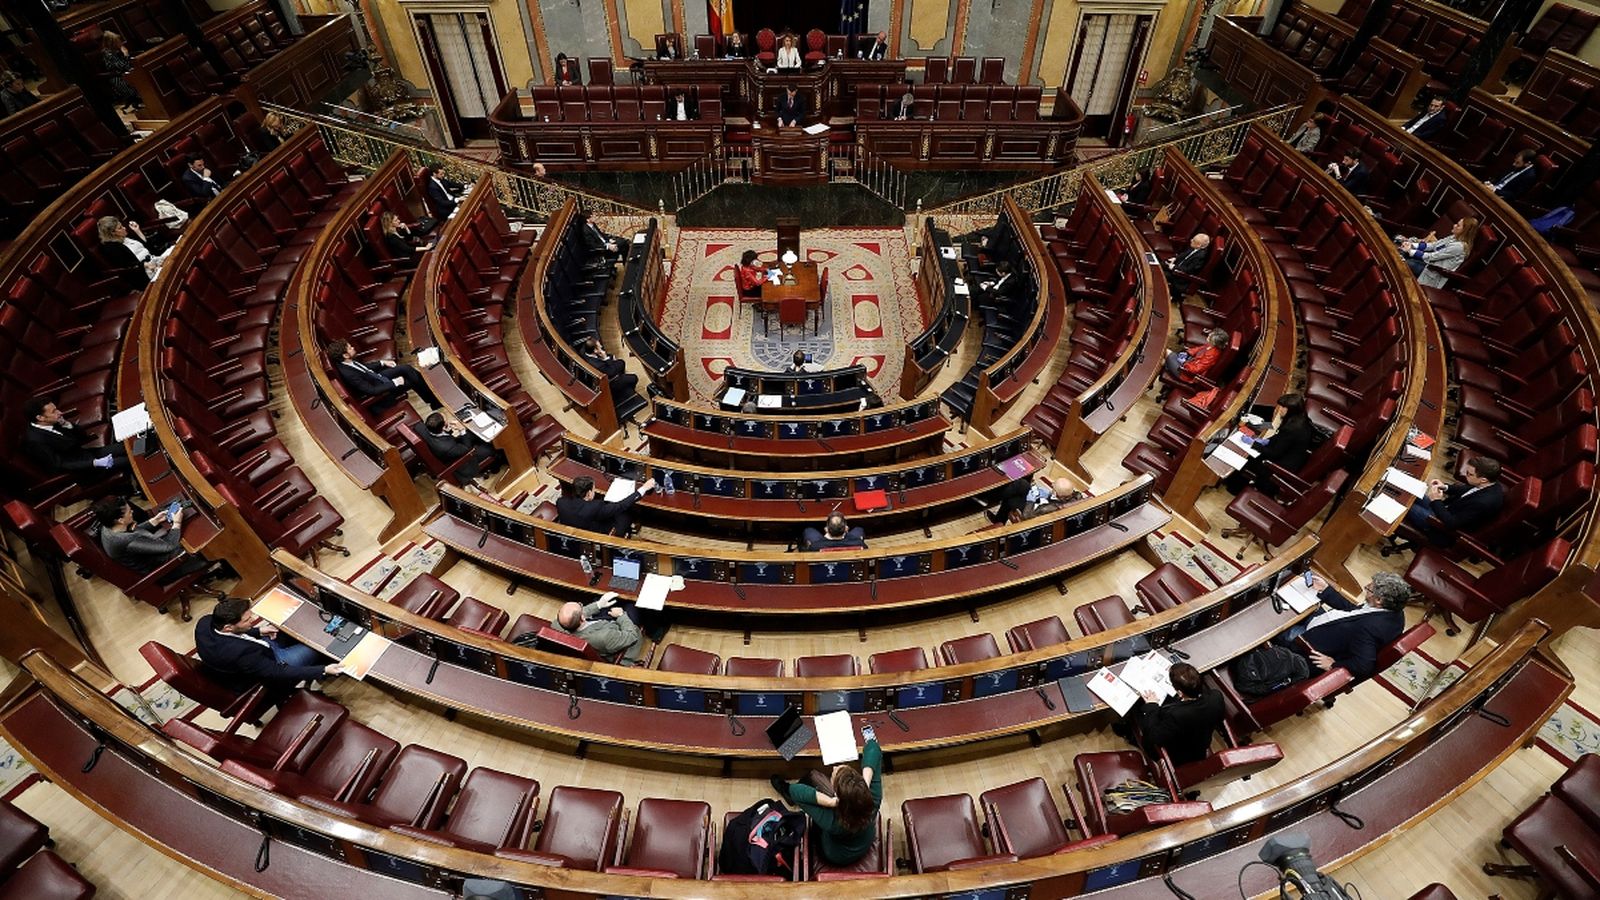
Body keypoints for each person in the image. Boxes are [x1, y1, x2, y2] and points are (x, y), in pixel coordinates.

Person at [769, 730, 882, 866]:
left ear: (837, 796)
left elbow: (796, 791)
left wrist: (829, 802)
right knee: (814, 776)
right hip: (863, 841)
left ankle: (785, 793)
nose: (834, 767)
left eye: (833, 776)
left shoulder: (833, 821)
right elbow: (873, 747)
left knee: (809, 783)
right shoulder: (874, 797)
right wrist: (865, 783)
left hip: (836, 854)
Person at [1278, 572, 1409, 683]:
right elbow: (1353, 612)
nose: (1366, 587)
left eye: (1369, 589)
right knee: (1295, 598)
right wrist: (1326, 590)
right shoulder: (1395, 611)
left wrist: (1333, 664)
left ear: (1379, 600)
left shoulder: (1368, 629)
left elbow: (1364, 665)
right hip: (1332, 626)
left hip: (1307, 644)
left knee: (1277, 622)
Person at [195, 598, 343, 693]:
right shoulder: (240, 654)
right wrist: (323, 670)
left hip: (259, 649)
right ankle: (327, 669)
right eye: (247, 620)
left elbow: (235, 635)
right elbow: (278, 672)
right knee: (319, 644)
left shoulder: (206, 623)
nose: (252, 619)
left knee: (289, 624)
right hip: (275, 662)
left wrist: (258, 630)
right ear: (228, 627)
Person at [1124, 663, 1224, 766]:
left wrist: (1152, 706)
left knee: (1138, 710)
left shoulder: (1176, 716)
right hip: (1200, 742)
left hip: (1179, 754)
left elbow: (1153, 737)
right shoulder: (1216, 696)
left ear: (1180, 693)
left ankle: (1131, 735)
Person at [91, 495, 211, 581]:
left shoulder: (108, 527)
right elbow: (169, 546)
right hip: (163, 569)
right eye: (128, 512)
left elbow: (131, 531)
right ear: (120, 520)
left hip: (151, 555)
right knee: (204, 538)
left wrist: (155, 520)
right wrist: (177, 523)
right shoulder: (124, 541)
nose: (132, 511)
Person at [1223, 393, 1318, 495]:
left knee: (1246, 457)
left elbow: (1273, 453)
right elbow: (1281, 439)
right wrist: (1266, 440)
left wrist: (1253, 444)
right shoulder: (1301, 418)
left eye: (1283, 408)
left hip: (1280, 466)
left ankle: (1234, 488)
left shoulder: (1291, 429)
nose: (1280, 410)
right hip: (1291, 456)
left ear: (1291, 410)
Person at [1399, 456, 1504, 548]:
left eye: (1469, 474)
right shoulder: (1490, 484)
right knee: (1408, 491)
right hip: (1445, 510)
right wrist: (1445, 487)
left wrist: (1436, 500)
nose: (1465, 475)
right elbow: (1465, 490)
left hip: (1439, 527)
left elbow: (1451, 523)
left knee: (1402, 503)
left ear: (1483, 479)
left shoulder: (1482, 503)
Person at [327, 339, 440, 412]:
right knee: (411, 381)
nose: (353, 348)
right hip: (381, 393)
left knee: (406, 369)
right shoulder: (348, 374)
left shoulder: (346, 362)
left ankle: (433, 400)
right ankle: (434, 400)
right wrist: (395, 382)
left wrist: (382, 362)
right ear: (345, 355)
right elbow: (372, 391)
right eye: (350, 348)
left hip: (375, 378)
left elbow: (364, 369)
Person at [21, 397, 129, 474]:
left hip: (87, 454)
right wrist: (94, 463)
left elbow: (83, 437)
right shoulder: (35, 441)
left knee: (126, 447)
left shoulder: (54, 421)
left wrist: (67, 425)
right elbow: (59, 465)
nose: (60, 413)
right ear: (40, 418)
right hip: (82, 469)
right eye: (54, 412)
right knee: (127, 461)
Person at [556, 593, 647, 665]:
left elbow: (563, 620)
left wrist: (598, 605)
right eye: (581, 606)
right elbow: (632, 636)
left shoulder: (560, 625)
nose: (583, 608)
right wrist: (621, 615)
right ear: (582, 618)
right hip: (619, 633)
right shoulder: (604, 637)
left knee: (600, 599)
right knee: (633, 604)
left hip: (600, 625)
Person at [416, 412, 502, 484]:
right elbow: (467, 450)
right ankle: (495, 468)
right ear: (443, 427)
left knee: (471, 433)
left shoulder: (420, 427)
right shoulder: (448, 448)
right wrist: (462, 430)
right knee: (490, 447)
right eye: (446, 420)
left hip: (452, 448)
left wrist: (449, 431)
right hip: (464, 462)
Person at [557, 474, 655, 536]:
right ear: (588, 493)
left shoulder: (561, 503)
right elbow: (621, 506)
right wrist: (644, 488)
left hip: (578, 533)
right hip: (600, 534)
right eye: (594, 489)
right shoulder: (595, 507)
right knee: (626, 511)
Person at [1397, 216, 1477, 288]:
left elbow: (1433, 256)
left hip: (1433, 273)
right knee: (1400, 252)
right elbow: (1434, 245)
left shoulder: (1459, 246)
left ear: (1465, 231)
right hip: (1428, 264)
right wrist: (1412, 245)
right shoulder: (1454, 237)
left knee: (1405, 263)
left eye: (1458, 225)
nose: (1454, 225)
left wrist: (1410, 251)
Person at [97, 215, 172, 287]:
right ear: (112, 233)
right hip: (144, 274)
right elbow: (127, 266)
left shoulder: (126, 237)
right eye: (120, 228)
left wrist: (138, 231)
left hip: (155, 261)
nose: (124, 228)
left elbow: (150, 249)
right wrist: (145, 264)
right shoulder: (112, 248)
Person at [986, 476, 1082, 524]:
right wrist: (1048, 495)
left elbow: (1027, 515)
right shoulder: (1075, 496)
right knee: (1023, 484)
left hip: (1031, 510)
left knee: (1011, 499)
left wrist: (1031, 500)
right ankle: (993, 498)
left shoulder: (1049, 509)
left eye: (1053, 487)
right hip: (1042, 502)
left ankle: (996, 517)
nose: (1052, 484)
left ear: (1056, 494)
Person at [1164, 329, 1228, 384]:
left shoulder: (1212, 355)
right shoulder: (1211, 345)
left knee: (1166, 352)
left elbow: (1196, 370)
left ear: (1214, 343)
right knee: (1167, 357)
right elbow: (1199, 349)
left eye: (1210, 336)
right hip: (1190, 361)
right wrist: (1188, 352)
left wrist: (1184, 363)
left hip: (1186, 374)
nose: (1209, 335)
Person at [101, 32, 141, 110]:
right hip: (118, 78)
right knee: (139, 89)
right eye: (118, 41)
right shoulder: (108, 54)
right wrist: (126, 54)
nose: (121, 42)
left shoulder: (115, 51)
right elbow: (123, 66)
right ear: (112, 42)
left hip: (125, 74)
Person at [801, 512, 866, 550]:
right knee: (858, 530)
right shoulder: (859, 543)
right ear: (846, 529)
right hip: (848, 543)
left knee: (809, 531)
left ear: (826, 529)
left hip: (825, 543)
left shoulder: (815, 546)